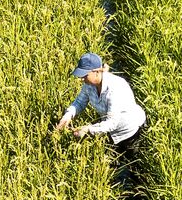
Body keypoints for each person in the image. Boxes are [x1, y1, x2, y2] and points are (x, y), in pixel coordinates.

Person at [55, 53, 147, 184]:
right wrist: (67, 116)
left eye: (85, 75)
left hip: (130, 130)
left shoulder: (115, 88)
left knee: (134, 168)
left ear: (97, 72)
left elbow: (112, 123)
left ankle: (139, 195)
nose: (82, 79)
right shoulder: (89, 84)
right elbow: (80, 102)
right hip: (111, 130)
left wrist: (87, 129)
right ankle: (115, 188)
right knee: (110, 166)